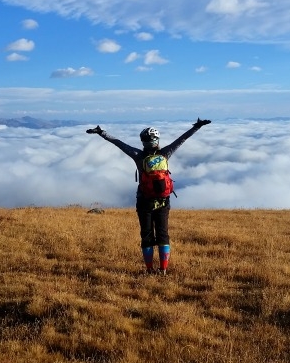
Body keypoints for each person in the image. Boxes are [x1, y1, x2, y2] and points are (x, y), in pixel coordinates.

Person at [87, 118, 211, 275]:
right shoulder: (165, 153)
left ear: (143, 141)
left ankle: (149, 269)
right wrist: (197, 126)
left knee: (146, 236)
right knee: (163, 235)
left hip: (144, 201)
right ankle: (163, 269)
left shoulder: (138, 155)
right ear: (157, 140)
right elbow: (182, 139)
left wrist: (101, 132)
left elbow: (119, 143)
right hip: (163, 201)